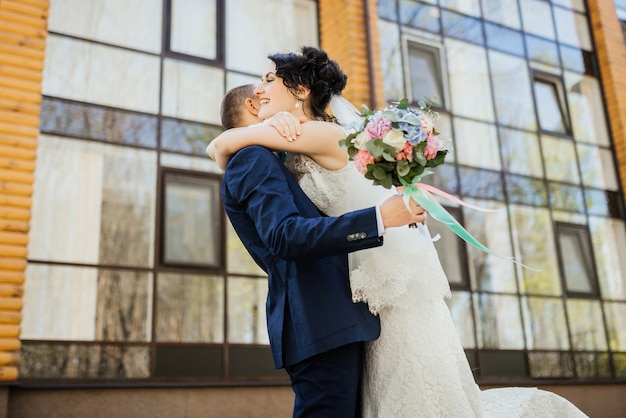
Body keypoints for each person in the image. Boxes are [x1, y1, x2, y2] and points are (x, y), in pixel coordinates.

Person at [209, 46, 590, 417]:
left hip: (377, 285)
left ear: (301, 90)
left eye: (269, 79)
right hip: (364, 290)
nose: (260, 90)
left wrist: (248, 133)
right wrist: (272, 124)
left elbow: (222, 144)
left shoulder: (319, 135)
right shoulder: (296, 140)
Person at [212, 79, 428, 417]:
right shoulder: (251, 159)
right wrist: (378, 218)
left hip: (333, 317)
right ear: (254, 105)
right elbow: (286, 236)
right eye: (264, 89)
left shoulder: (275, 159)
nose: (269, 92)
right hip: (318, 317)